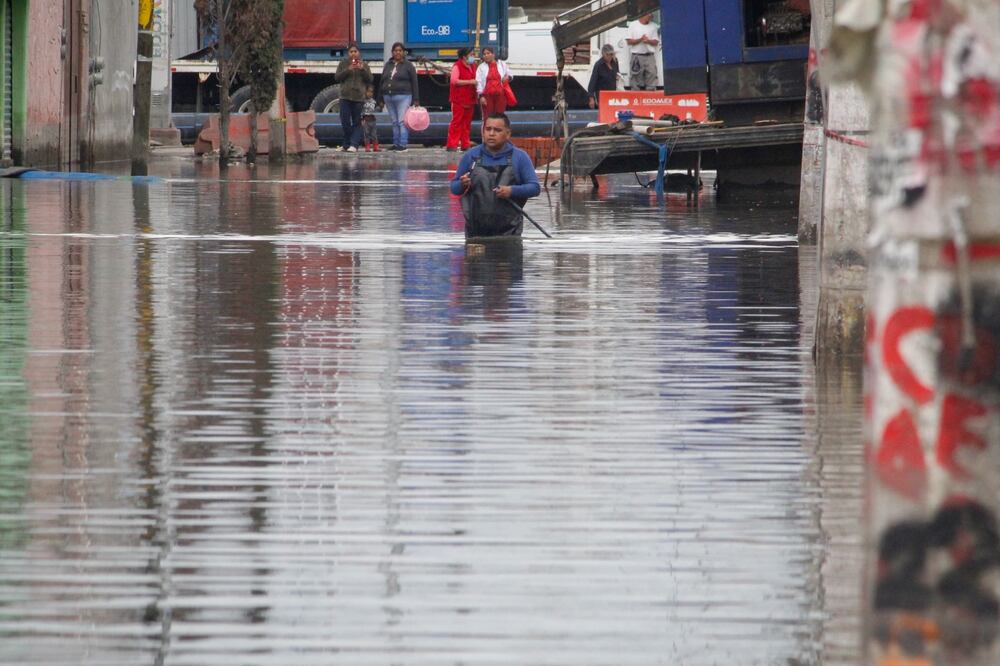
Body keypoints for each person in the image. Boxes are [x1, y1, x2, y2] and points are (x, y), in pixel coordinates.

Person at [450, 113, 541, 238]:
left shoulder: (520, 157)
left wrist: (511, 190)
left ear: (508, 134)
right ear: (483, 131)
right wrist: (462, 184)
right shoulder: (471, 156)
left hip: (510, 233)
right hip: (475, 234)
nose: (491, 134)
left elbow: (535, 188)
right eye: (488, 129)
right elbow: (454, 188)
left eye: (497, 130)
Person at [378, 42, 420, 152]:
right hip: (388, 96)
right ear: (392, 52)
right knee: (394, 122)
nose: (398, 52)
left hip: (404, 96)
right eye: (395, 50)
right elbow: (382, 80)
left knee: (402, 121)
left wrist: (416, 99)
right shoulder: (388, 64)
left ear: (403, 52)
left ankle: (403, 144)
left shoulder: (408, 65)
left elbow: (414, 82)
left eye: (400, 50)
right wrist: (380, 98)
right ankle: (395, 143)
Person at [335, 43, 372, 152]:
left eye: (355, 51)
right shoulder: (343, 63)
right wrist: (348, 69)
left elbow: (369, 79)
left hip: (358, 98)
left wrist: (362, 69)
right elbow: (337, 77)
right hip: (345, 96)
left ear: (359, 53)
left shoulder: (364, 65)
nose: (353, 54)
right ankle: (346, 144)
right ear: (348, 53)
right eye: (351, 52)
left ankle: (354, 144)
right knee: (345, 121)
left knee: (357, 122)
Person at [446, 47, 478, 152]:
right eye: (471, 54)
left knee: (466, 124)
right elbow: (454, 81)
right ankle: (452, 145)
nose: (473, 57)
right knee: (456, 122)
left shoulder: (473, 66)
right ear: (464, 56)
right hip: (458, 99)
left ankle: (465, 144)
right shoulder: (457, 66)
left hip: (470, 99)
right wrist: (469, 82)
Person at [475, 47, 512, 138]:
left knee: (500, 117)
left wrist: (508, 78)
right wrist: (481, 96)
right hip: (487, 96)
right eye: (484, 54)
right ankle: (486, 140)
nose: (486, 55)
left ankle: (501, 139)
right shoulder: (481, 67)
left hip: (500, 95)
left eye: (488, 53)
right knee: (487, 118)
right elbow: (478, 82)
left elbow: (510, 74)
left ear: (493, 54)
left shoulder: (502, 64)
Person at [626, 14, 659, 91]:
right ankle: (635, 98)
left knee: (652, 75)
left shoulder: (654, 26)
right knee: (635, 79)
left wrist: (648, 41)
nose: (651, 16)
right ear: (644, 15)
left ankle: (650, 98)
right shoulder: (633, 25)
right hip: (636, 56)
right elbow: (629, 41)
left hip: (649, 56)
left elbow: (656, 42)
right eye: (650, 15)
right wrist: (640, 39)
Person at [587, 43, 621, 109]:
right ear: (603, 54)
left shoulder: (615, 61)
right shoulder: (598, 65)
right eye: (607, 55)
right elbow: (592, 82)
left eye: (611, 54)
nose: (610, 57)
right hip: (602, 95)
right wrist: (591, 99)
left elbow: (618, 74)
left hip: (614, 93)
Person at [361, 86, 379, 152]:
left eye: (371, 92)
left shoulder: (374, 101)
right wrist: (361, 119)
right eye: (368, 91)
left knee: (374, 134)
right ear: (365, 92)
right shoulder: (363, 101)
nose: (370, 93)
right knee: (366, 134)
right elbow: (361, 111)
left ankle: (376, 147)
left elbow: (376, 110)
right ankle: (367, 147)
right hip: (366, 120)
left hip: (373, 120)